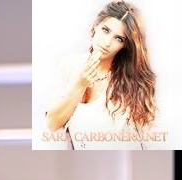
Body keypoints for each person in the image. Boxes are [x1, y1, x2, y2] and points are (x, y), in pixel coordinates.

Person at [44, 1, 158, 150]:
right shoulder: (69, 66)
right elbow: (52, 123)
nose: (107, 42)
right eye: (105, 30)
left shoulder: (133, 82)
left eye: (119, 38)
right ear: (95, 26)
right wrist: (80, 85)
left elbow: (151, 143)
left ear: (125, 46)